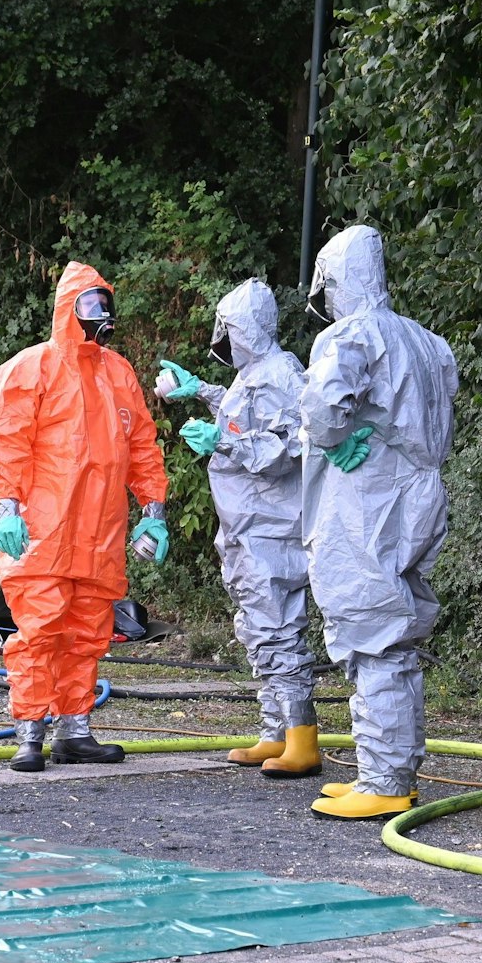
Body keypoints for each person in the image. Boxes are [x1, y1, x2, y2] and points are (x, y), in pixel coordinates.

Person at [0, 262, 170, 772]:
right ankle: (30, 732)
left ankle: (75, 730)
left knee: (88, 632)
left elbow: (142, 447)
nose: (99, 315)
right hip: (43, 530)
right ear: (69, 309)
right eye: (89, 305)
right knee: (39, 630)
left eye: (104, 305)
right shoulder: (30, 369)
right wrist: (7, 505)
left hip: (100, 532)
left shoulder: (118, 372)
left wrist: (153, 511)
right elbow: (7, 443)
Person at [298, 225, 457, 820]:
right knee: (401, 630)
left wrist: (333, 437)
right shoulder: (426, 340)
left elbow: (320, 407)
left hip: (372, 499)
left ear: (334, 280)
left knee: (373, 633)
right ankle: (391, 767)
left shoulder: (351, 335)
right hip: (420, 493)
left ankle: (385, 778)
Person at [157, 277, 321, 778]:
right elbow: (242, 420)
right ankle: (276, 732)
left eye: (228, 328)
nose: (223, 339)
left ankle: (301, 739)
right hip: (248, 527)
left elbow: (286, 444)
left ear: (245, 328)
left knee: (278, 630)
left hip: (270, 527)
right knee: (259, 630)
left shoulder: (278, 374)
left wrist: (223, 443)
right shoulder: (256, 375)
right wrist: (203, 392)